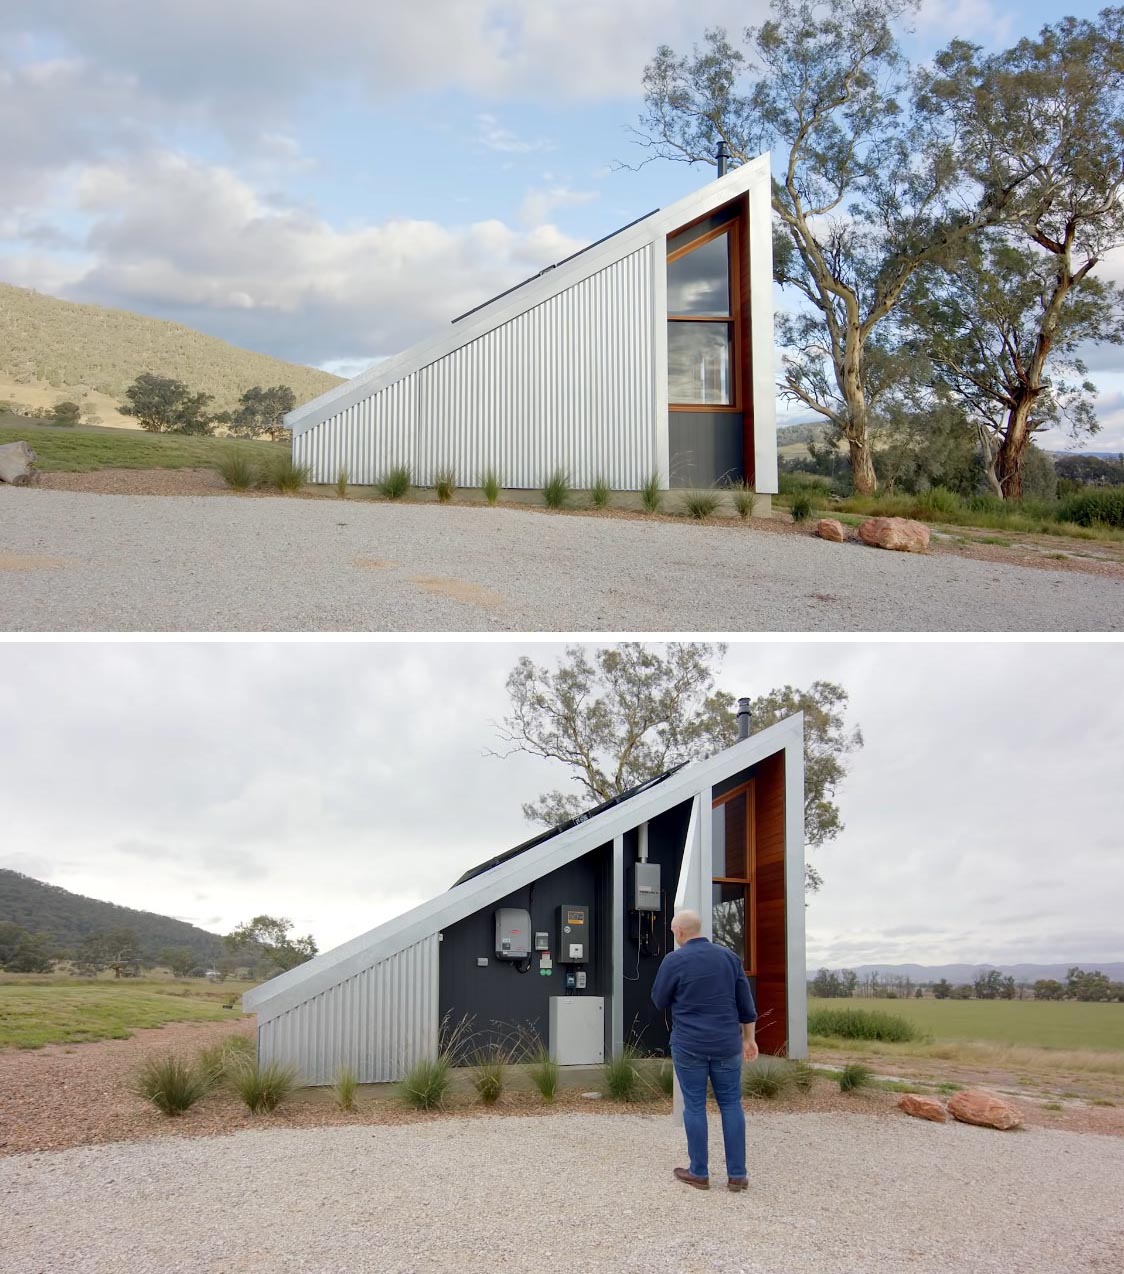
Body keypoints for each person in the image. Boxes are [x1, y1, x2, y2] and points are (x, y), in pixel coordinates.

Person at [650, 908, 758, 1192]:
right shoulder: (729, 958)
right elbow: (746, 1005)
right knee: (732, 1105)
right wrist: (749, 1040)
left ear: (680, 932)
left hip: (690, 1045)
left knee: (695, 1106)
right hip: (727, 1045)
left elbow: (659, 999)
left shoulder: (674, 960)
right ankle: (738, 1174)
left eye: (674, 932)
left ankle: (699, 1172)